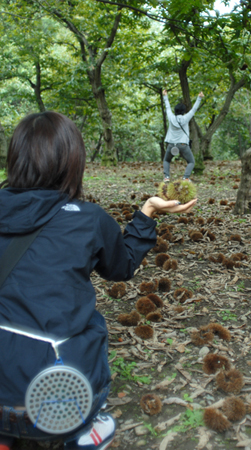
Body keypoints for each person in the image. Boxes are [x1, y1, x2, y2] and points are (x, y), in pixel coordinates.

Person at [0, 111, 197, 450]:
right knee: (89, 327)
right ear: (72, 162)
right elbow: (121, 268)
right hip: (55, 392)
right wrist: (147, 213)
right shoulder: (87, 220)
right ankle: (82, 431)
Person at [163, 89, 204, 182]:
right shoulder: (186, 118)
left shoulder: (171, 117)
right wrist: (199, 98)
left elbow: (167, 107)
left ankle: (166, 177)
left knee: (166, 160)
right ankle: (186, 177)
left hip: (171, 145)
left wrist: (165, 96)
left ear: (175, 111)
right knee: (191, 162)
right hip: (183, 145)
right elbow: (194, 109)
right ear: (184, 111)